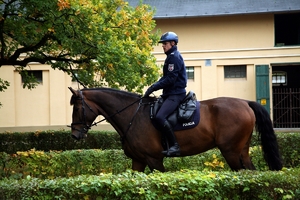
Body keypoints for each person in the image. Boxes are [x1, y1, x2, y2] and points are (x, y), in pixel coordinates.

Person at [144, 31, 187, 156]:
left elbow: (170, 79)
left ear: (172, 43)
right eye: (162, 44)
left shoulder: (174, 57)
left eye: (165, 43)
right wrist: (153, 87)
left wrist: (153, 88)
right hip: (170, 93)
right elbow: (165, 78)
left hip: (176, 94)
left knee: (160, 117)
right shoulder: (171, 56)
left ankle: (175, 146)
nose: (163, 46)